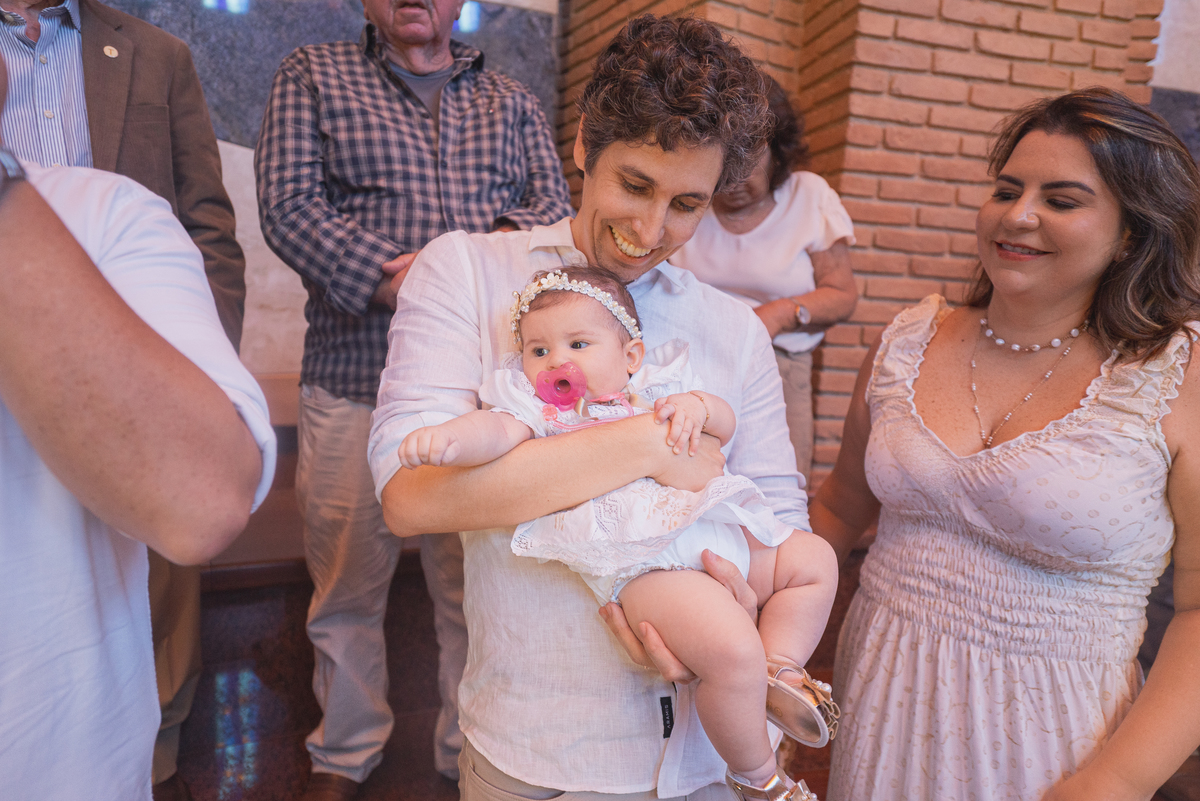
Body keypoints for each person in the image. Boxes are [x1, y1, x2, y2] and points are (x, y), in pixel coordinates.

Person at [368, 15, 817, 801]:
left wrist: (750, 609)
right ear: (583, 145)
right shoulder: (468, 275)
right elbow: (410, 499)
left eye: (687, 204)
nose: (649, 231)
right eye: (635, 184)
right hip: (539, 747)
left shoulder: (732, 328)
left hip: (706, 763)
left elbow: (778, 506)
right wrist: (648, 444)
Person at [806, 88, 1200, 800]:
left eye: (1063, 199)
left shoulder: (1177, 376)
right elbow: (836, 510)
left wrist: (1119, 779)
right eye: (1007, 189)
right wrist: (771, 649)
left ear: (1134, 233)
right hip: (881, 701)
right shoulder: (906, 343)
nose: (1018, 215)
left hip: (1058, 744)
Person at [254, 0, 572, 794]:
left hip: (482, 396)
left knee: (473, 589)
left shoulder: (515, 103)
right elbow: (291, 207)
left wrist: (460, 278)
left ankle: (470, 750)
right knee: (346, 587)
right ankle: (345, 750)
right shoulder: (313, 76)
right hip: (353, 374)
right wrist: (406, 281)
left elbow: (550, 211)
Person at [398, 265, 838, 794]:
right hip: (651, 563)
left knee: (814, 561)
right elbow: (493, 430)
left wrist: (698, 406)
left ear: (630, 357)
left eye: (578, 343)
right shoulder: (542, 414)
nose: (557, 360)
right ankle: (760, 777)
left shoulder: (659, 390)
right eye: (538, 351)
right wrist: (449, 440)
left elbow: (725, 423)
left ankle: (780, 668)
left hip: (716, 532)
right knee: (730, 651)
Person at [0, 53, 275, 801]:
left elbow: (207, 221)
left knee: (161, 595)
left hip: (128, 325)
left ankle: (168, 736)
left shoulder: (152, 58)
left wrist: (186, 360)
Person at [672, 76, 857, 484]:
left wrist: (774, 316)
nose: (734, 180)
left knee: (773, 490)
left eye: (748, 159)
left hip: (779, 364)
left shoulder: (809, 196)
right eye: (725, 162)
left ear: (778, 151)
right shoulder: (688, 199)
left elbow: (843, 294)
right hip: (689, 362)